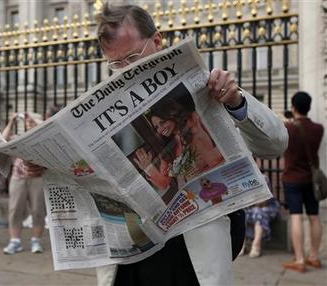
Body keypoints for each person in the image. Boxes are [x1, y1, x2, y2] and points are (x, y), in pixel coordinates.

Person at [95, 4, 288, 286]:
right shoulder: (101, 107)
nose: (126, 70)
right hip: (129, 260)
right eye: (115, 64)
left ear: (157, 41)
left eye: (132, 57)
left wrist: (236, 103)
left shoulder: (204, 85)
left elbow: (276, 143)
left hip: (190, 256)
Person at [282, 91, 324, 273]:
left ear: (293, 107)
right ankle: (314, 257)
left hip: (292, 178)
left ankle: (299, 259)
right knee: (314, 216)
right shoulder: (318, 128)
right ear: (309, 107)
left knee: (296, 216)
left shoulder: (288, 128)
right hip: (311, 180)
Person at [2, 112, 47, 255]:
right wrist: (11, 121)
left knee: (38, 210)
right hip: (18, 177)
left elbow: (46, 128)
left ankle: (36, 240)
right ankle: (15, 241)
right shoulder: (19, 138)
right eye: (28, 120)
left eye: (33, 119)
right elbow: (2, 140)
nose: (29, 121)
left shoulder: (44, 138)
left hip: (38, 178)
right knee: (14, 209)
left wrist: (35, 121)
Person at [240, 175, 280, 258]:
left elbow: (264, 201)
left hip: (264, 207)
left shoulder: (263, 178)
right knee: (241, 213)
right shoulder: (240, 179)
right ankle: (241, 244)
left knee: (258, 212)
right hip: (249, 208)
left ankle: (256, 244)